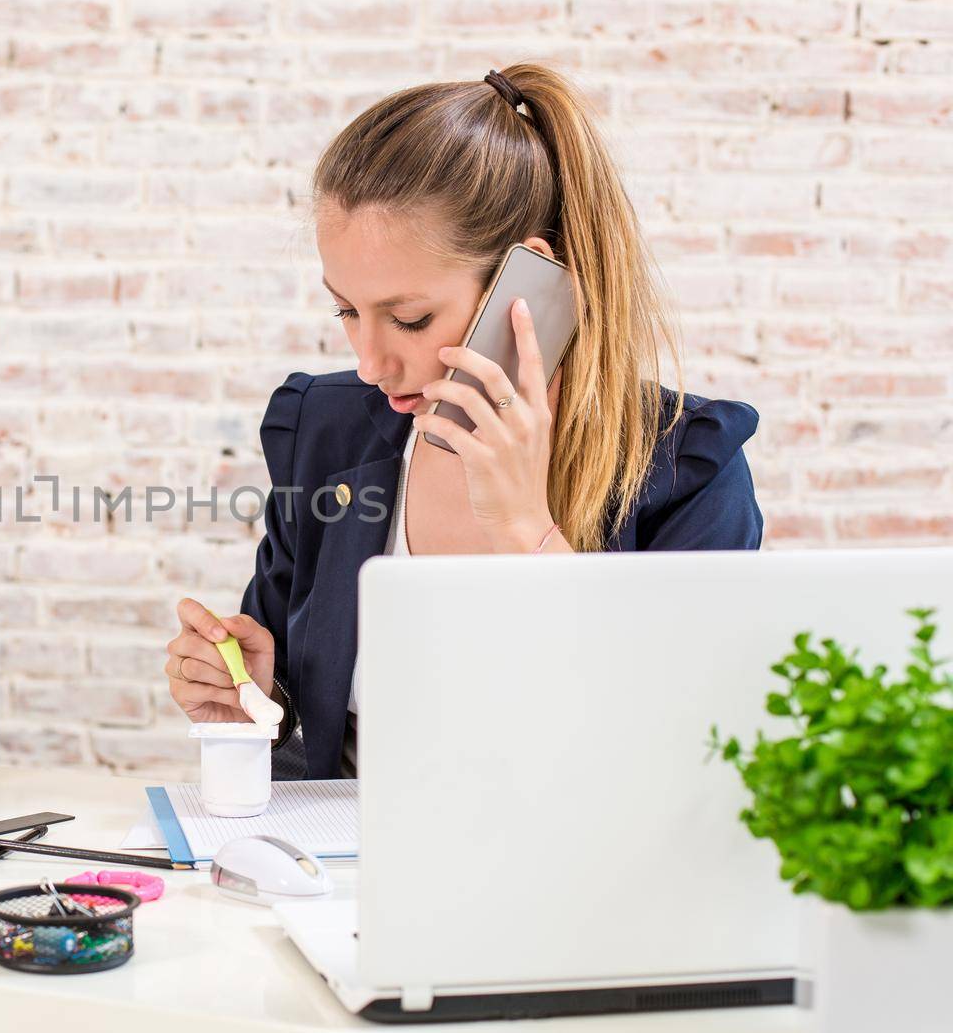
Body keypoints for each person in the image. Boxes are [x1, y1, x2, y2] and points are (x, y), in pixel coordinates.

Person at [164, 64, 763, 781]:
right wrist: (267, 702)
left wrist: (527, 531)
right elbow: (306, 737)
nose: (370, 363)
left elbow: (689, 744)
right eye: (347, 311)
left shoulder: (685, 467)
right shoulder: (323, 432)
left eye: (410, 318)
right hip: (349, 881)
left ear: (528, 285)